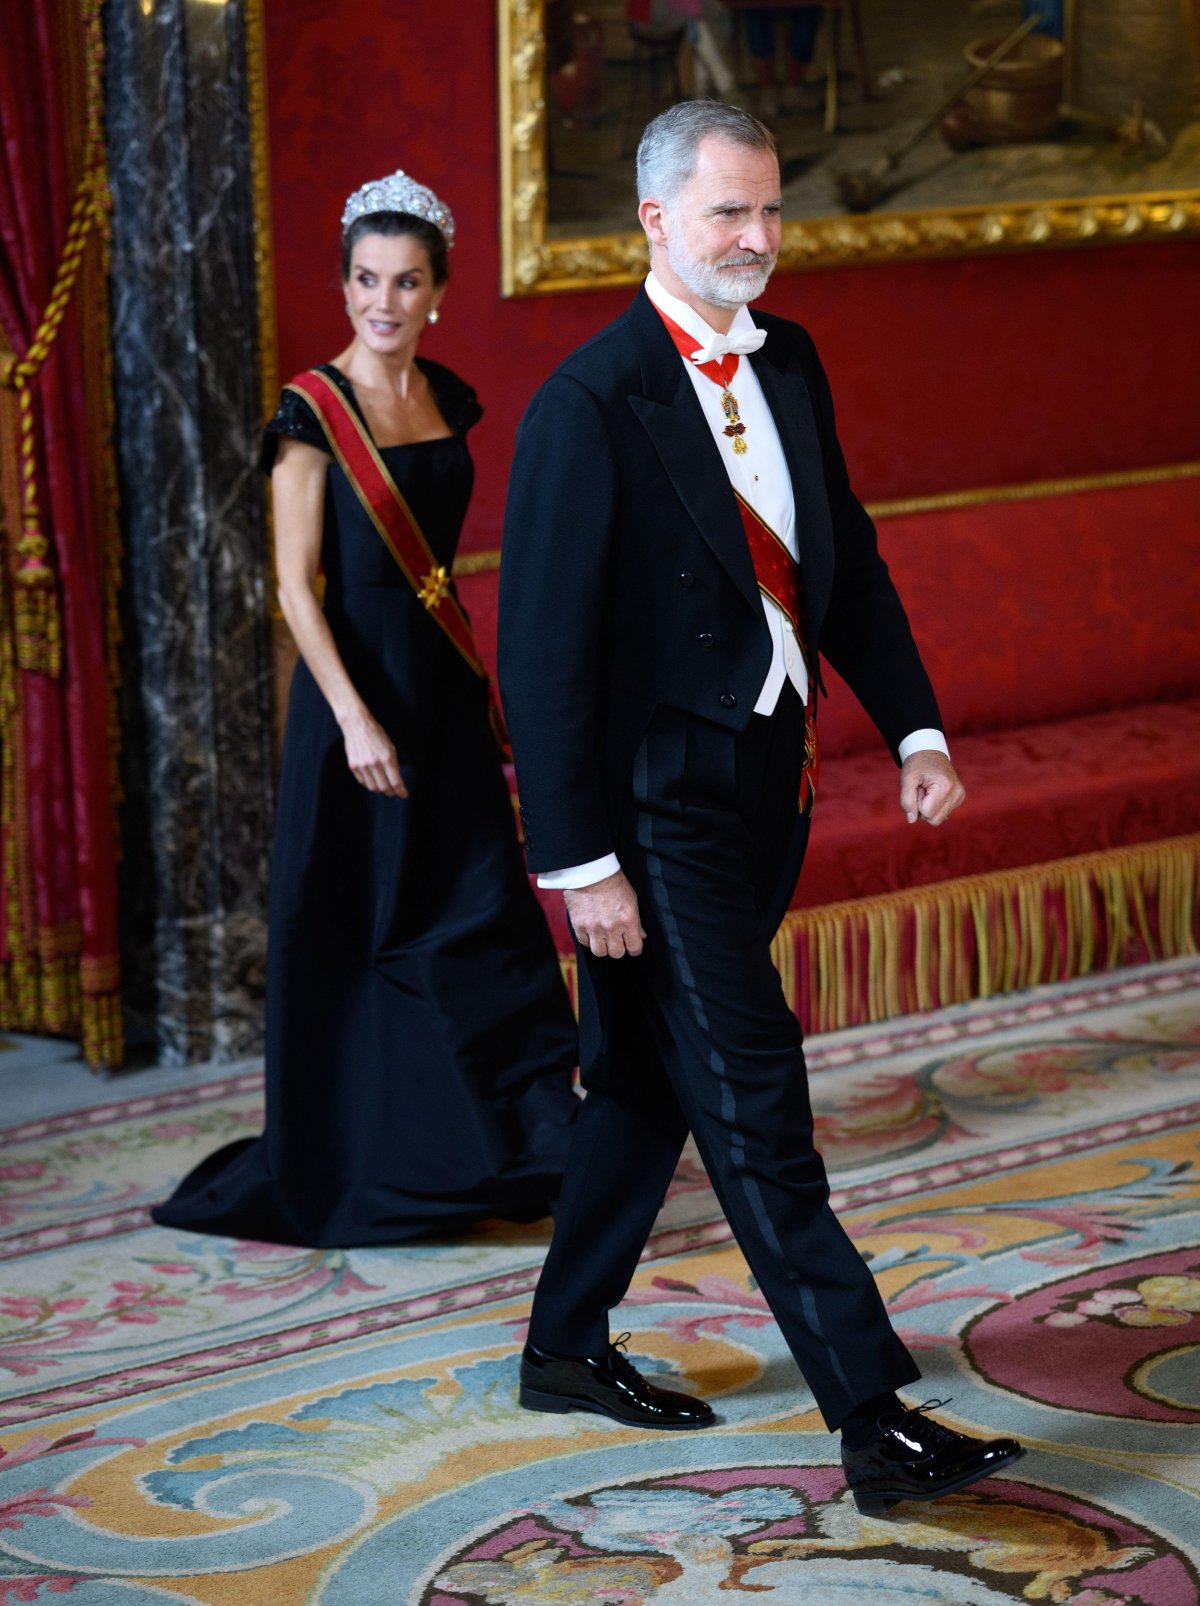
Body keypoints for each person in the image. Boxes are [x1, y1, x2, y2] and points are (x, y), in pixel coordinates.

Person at [498, 102, 1022, 1514]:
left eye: (771, 211)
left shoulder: (792, 360)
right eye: (729, 213)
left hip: (762, 786)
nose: (759, 239)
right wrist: (580, 863)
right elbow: (536, 655)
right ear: (657, 222)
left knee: (664, 1075)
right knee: (752, 1087)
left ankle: (560, 1341)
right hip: (650, 810)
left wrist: (911, 720)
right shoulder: (589, 401)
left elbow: (840, 558)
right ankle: (871, 1413)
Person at [153, 171, 578, 1249]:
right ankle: (401, 1160)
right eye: (364, 280)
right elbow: (296, 587)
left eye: (405, 281)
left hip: (439, 685)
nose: (382, 301)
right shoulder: (309, 413)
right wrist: (350, 719)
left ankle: (526, 1144)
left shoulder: (448, 393)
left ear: (437, 291)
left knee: (482, 905)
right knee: (384, 923)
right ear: (343, 284)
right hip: (359, 702)